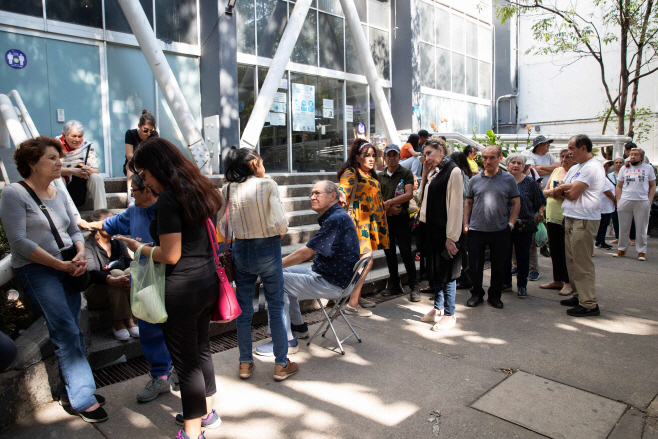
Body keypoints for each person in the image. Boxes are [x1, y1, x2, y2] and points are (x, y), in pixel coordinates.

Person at [120, 138, 223, 439]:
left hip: (181, 290)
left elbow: (171, 255)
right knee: (202, 351)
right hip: (207, 283)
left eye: (144, 173)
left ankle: (192, 433)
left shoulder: (168, 200)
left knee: (186, 362)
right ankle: (207, 412)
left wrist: (140, 248)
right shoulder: (201, 189)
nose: (144, 180)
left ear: (158, 168)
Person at [0, 136, 107, 423]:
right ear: (32, 163)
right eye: (52, 158)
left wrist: (80, 254)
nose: (60, 162)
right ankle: (83, 398)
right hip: (39, 270)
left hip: (68, 265)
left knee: (72, 327)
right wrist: (59, 264)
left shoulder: (59, 193)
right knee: (66, 330)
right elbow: (19, 242)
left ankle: (69, 392)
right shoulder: (14, 194)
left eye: (59, 157)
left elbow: (74, 229)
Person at [77, 174, 177, 404]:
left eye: (134, 189)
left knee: (177, 329)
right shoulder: (134, 212)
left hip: (174, 278)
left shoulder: (170, 208)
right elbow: (108, 224)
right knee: (150, 330)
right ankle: (160, 376)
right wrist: (85, 224)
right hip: (146, 279)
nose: (130, 194)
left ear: (148, 190)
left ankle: (182, 372)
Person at [219, 148, 297, 381]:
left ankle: (244, 363)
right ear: (254, 163)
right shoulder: (267, 185)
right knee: (275, 306)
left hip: (241, 250)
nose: (263, 166)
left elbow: (223, 229)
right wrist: (280, 232)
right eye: (261, 162)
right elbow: (281, 221)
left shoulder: (228, 188)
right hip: (268, 248)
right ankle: (281, 364)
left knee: (243, 310)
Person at [257, 181, 360, 355]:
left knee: (274, 279)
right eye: (311, 193)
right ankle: (298, 327)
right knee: (285, 272)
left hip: (333, 283)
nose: (312, 197)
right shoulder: (336, 216)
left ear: (332, 196)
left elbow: (306, 253)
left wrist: (272, 266)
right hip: (332, 277)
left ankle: (285, 341)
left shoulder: (336, 219)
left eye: (317, 193)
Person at [553, 134, 605, 317]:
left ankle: (589, 304)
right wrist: (563, 189)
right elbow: (561, 190)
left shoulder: (592, 167)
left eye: (572, 148)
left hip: (584, 219)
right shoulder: (577, 167)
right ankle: (579, 296)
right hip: (571, 217)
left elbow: (572, 193)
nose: (569, 152)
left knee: (582, 263)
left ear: (583, 148)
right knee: (572, 261)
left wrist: (563, 189)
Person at [463, 145, 520, 309]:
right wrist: (466, 223)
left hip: (500, 230)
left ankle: (495, 296)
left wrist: (511, 223)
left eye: (492, 157)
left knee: (499, 265)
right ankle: (476, 294)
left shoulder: (508, 179)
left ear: (500, 158)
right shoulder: (474, 179)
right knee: (474, 266)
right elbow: (468, 202)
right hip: (476, 230)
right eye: (485, 157)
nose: (488, 161)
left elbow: (516, 203)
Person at [338, 139, 389, 317]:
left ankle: (356, 297)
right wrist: (340, 195)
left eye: (373, 156)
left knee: (361, 262)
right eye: (367, 155)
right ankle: (352, 304)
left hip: (368, 223)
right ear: (357, 157)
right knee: (366, 261)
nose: (371, 159)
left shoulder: (370, 175)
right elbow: (342, 189)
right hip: (357, 225)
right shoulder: (351, 172)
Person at [418, 140, 464, 330]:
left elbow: (455, 207)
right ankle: (437, 308)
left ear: (441, 150)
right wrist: (424, 174)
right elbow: (420, 198)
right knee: (435, 271)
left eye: (430, 153)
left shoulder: (453, 171)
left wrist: (451, 236)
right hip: (430, 229)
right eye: (425, 154)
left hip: (445, 231)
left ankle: (449, 313)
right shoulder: (433, 172)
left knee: (447, 272)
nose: (427, 158)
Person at [83, 209, 136, 341]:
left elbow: (130, 263)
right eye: (108, 222)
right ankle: (121, 322)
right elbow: (92, 273)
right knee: (116, 273)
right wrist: (111, 279)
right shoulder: (88, 245)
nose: (113, 225)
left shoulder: (118, 243)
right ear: (96, 225)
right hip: (95, 292)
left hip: (118, 291)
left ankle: (129, 321)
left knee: (131, 272)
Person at [378, 144, 419, 302]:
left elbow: (408, 194)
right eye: (389, 155)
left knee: (405, 252)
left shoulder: (406, 172)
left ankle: (414, 286)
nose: (392, 158)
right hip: (386, 219)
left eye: (395, 155)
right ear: (385, 157)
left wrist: (389, 202)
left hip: (402, 219)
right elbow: (377, 198)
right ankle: (395, 284)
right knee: (389, 253)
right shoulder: (380, 176)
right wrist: (388, 208)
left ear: (399, 157)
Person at [502, 154, 546, 299]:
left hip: (524, 224)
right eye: (513, 162)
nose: (515, 165)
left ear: (523, 166)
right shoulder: (501, 180)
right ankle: (506, 283)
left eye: (519, 163)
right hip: (504, 224)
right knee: (504, 255)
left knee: (523, 256)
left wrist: (540, 213)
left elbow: (539, 200)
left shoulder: (529, 182)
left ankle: (522, 285)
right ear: (507, 165)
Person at [540, 148, 574, 296]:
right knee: (554, 250)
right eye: (562, 156)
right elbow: (545, 191)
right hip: (552, 216)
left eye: (568, 157)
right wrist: (555, 192)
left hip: (567, 217)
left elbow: (571, 194)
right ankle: (557, 279)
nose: (564, 159)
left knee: (566, 251)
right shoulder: (556, 171)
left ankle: (568, 282)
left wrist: (557, 192)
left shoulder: (576, 172)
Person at [614, 147, 656, 261]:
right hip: (625, 200)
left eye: (636, 154)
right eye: (631, 154)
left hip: (642, 201)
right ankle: (622, 249)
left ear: (641, 157)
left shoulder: (648, 168)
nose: (632, 156)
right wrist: (619, 200)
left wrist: (650, 200)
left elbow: (652, 185)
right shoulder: (624, 168)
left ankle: (641, 251)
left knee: (641, 227)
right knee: (623, 226)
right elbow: (619, 185)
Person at [58, 120, 107, 210]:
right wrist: (72, 171)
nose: (77, 140)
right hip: (62, 182)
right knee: (56, 177)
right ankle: (61, 212)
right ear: (64, 135)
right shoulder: (55, 145)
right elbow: (50, 169)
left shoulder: (87, 146)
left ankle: (101, 213)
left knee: (96, 177)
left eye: (80, 136)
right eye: (74, 136)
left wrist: (87, 169)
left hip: (80, 185)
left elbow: (96, 170)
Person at [124, 110, 158, 206]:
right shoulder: (131, 134)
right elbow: (129, 155)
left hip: (148, 165)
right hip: (134, 164)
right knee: (132, 163)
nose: (148, 133)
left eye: (150, 130)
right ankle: (130, 196)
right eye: (145, 130)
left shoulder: (154, 135)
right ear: (139, 126)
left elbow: (156, 154)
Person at [450, 151, 473, 290]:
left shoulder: (460, 175)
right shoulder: (468, 176)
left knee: (461, 249)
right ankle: (465, 277)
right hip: (464, 217)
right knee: (462, 248)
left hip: (460, 217)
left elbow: (464, 195)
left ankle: (465, 278)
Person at [595, 170, 616, 250]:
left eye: (608, 166)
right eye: (604, 166)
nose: (606, 168)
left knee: (605, 224)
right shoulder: (601, 178)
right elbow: (607, 191)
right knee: (602, 225)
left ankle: (602, 241)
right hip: (603, 206)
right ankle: (599, 241)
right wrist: (614, 199)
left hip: (608, 206)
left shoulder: (607, 177)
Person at [608, 157, 626, 243]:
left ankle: (632, 238)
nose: (618, 164)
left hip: (625, 198)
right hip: (614, 199)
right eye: (617, 163)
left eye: (620, 163)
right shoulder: (609, 176)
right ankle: (618, 237)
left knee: (628, 219)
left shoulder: (627, 174)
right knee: (615, 218)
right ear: (614, 165)